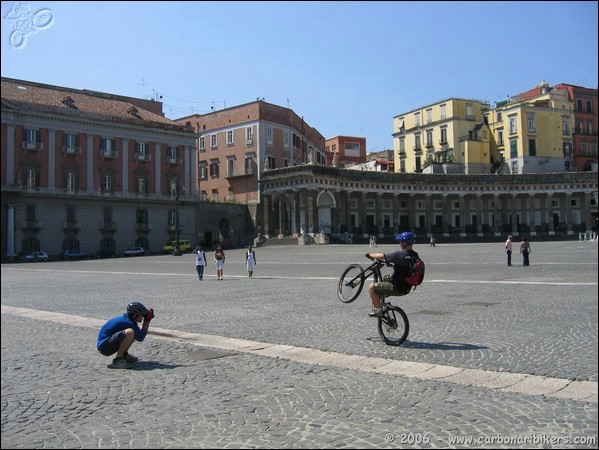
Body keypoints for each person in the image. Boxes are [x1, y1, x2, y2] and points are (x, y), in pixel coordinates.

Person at [365, 231, 420, 317]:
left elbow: (382, 256)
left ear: (404, 243)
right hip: (407, 287)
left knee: (372, 287)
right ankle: (381, 304)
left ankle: (378, 311)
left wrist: (370, 255)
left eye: (401, 242)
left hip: (397, 287)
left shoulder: (399, 254)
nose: (400, 244)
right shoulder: (415, 255)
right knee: (384, 281)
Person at [97, 302, 154, 369]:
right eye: (142, 315)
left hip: (106, 344)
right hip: (104, 347)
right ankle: (118, 360)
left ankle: (124, 355)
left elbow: (138, 335)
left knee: (133, 334)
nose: (143, 317)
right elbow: (141, 337)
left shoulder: (128, 319)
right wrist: (147, 321)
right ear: (135, 316)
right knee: (130, 332)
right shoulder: (128, 323)